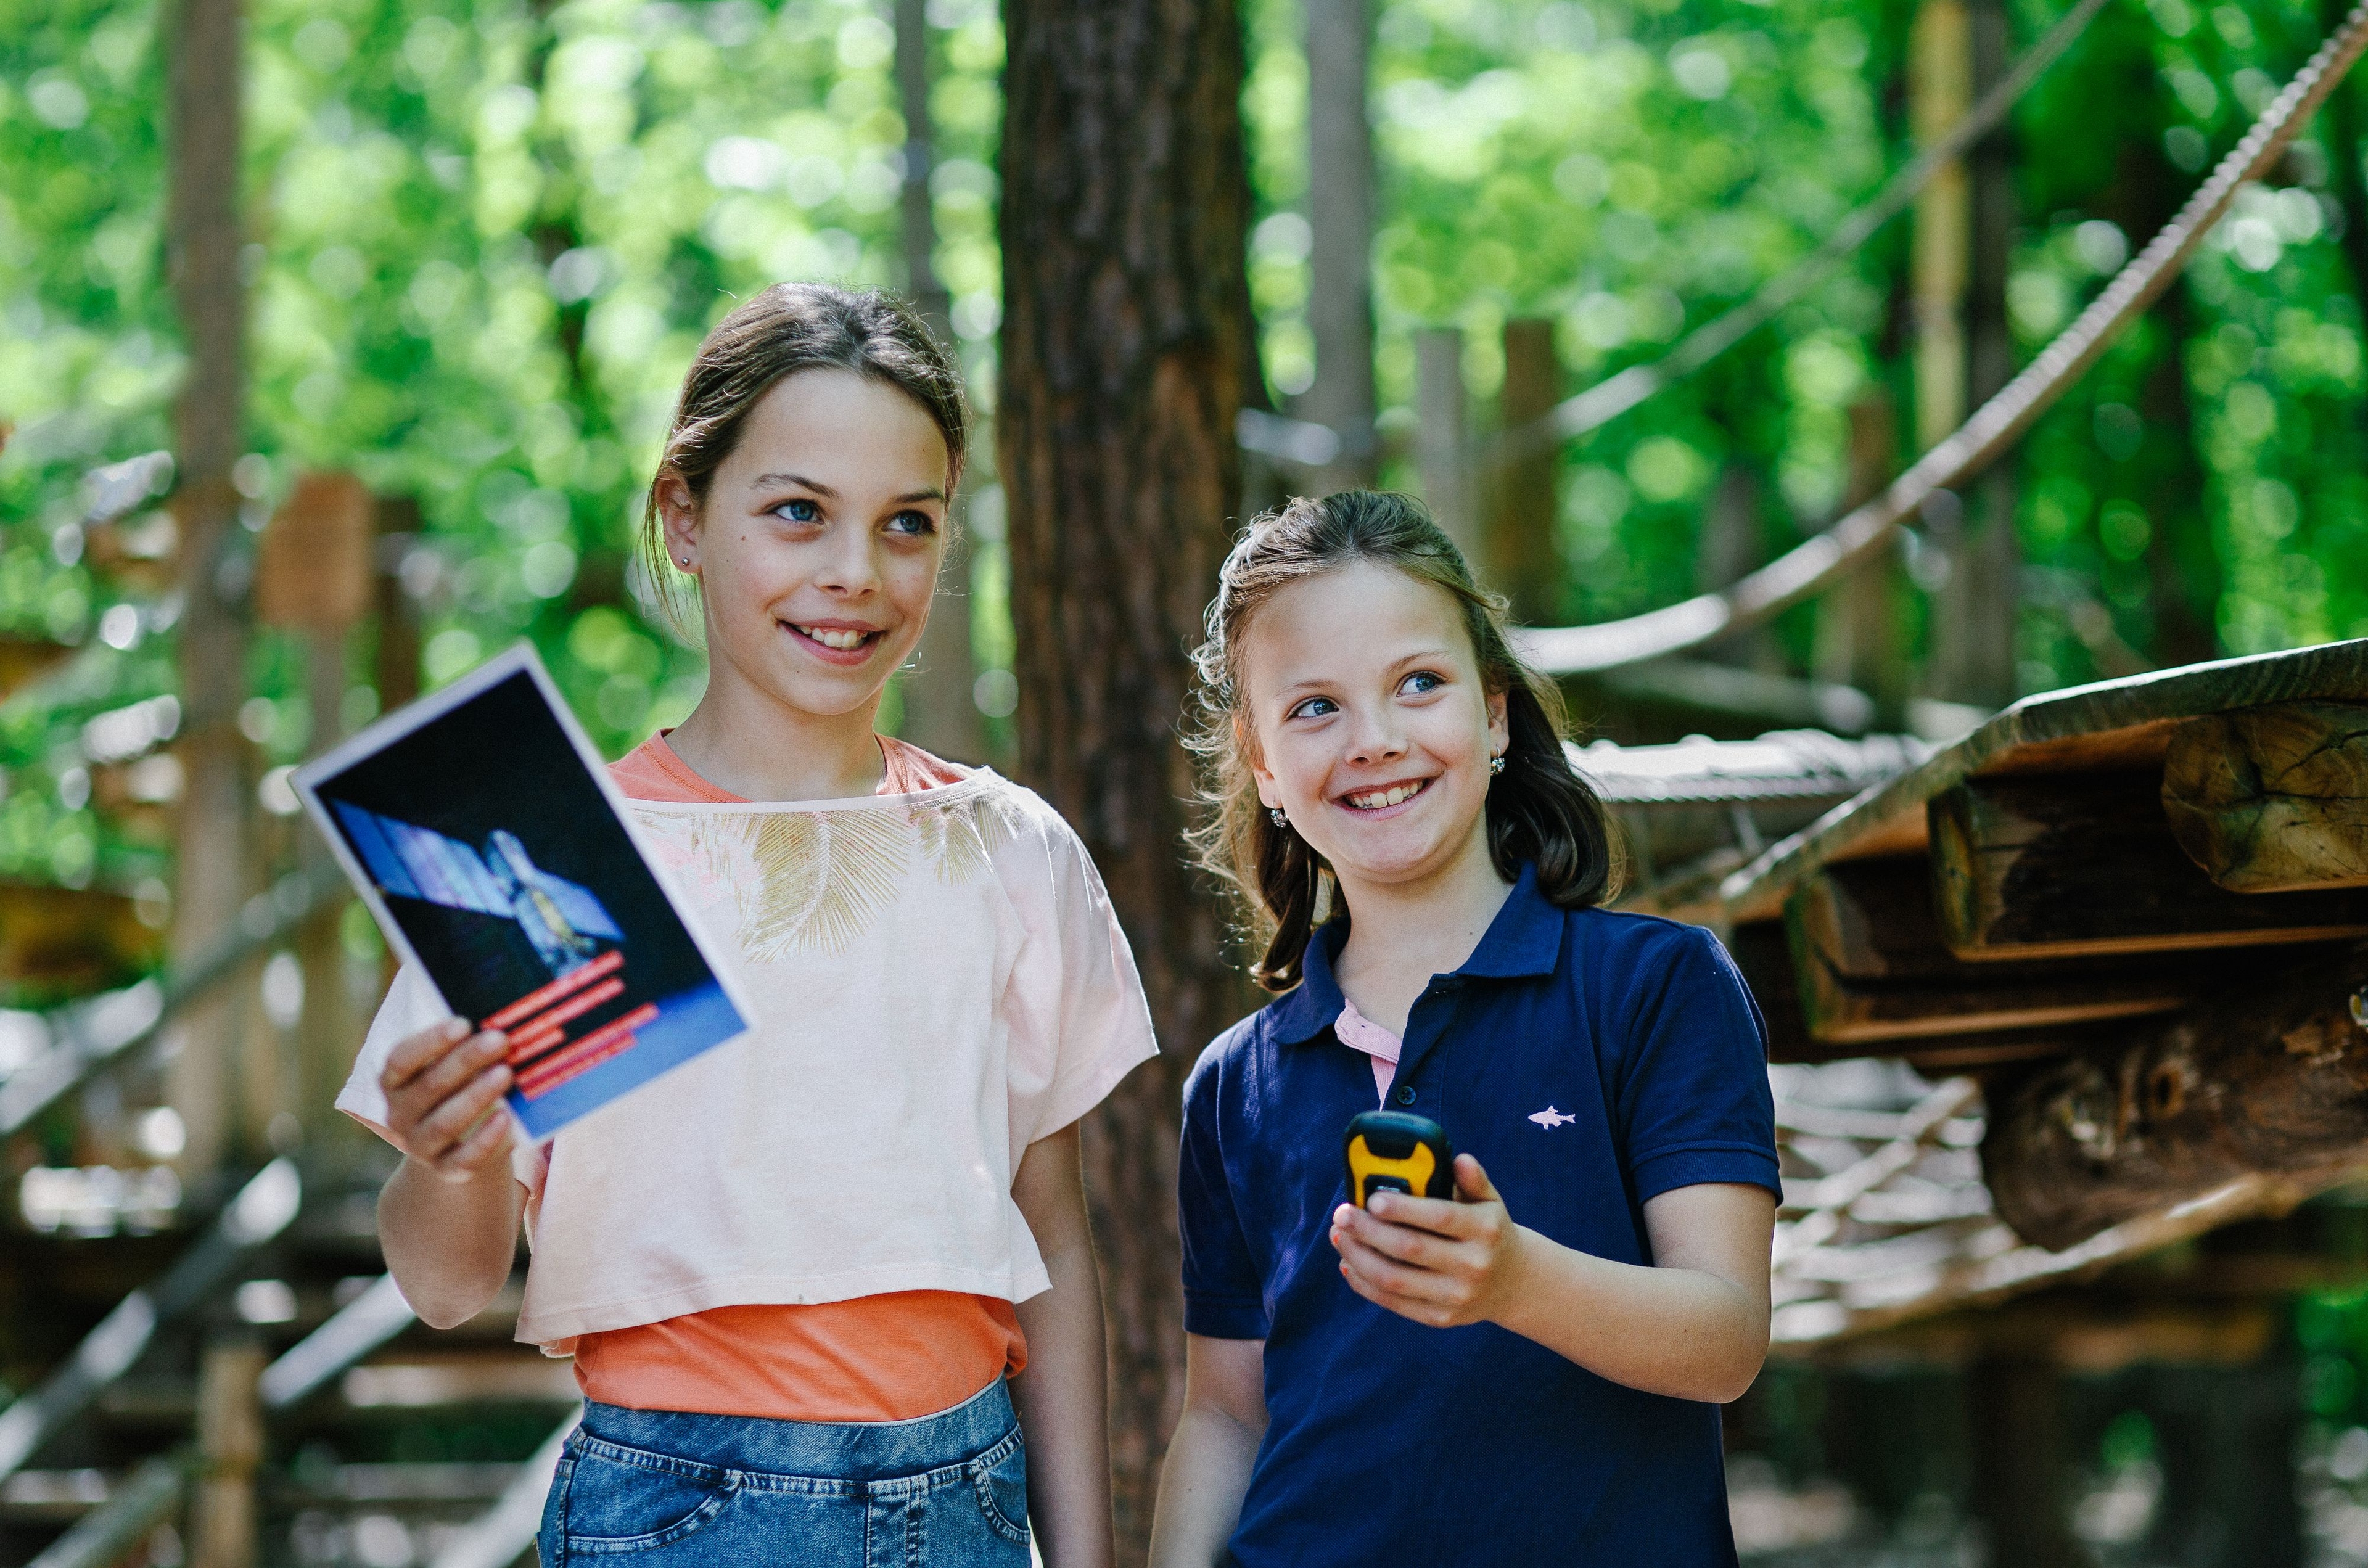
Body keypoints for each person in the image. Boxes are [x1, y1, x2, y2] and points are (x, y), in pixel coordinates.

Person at [339, 283, 1156, 1568]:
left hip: (971, 1504)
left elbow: (1049, 1232)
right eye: (796, 512)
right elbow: (445, 1284)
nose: (855, 574)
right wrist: (453, 1154)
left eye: (908, 523)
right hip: (677, 1513)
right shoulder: (542, 861)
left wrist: (1087, 1556)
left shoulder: (1004, 844)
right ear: (685, 513)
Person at [1147, 491, 1779, 1566]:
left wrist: (1518, 1282)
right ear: (1261, 765)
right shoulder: (1233, 1084)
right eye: (1314, 708)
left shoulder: (1655, 988)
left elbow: (1724, 1340)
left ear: (1493, 714)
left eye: (1419, 684)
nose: (1375, 740)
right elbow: (1225, 1412)